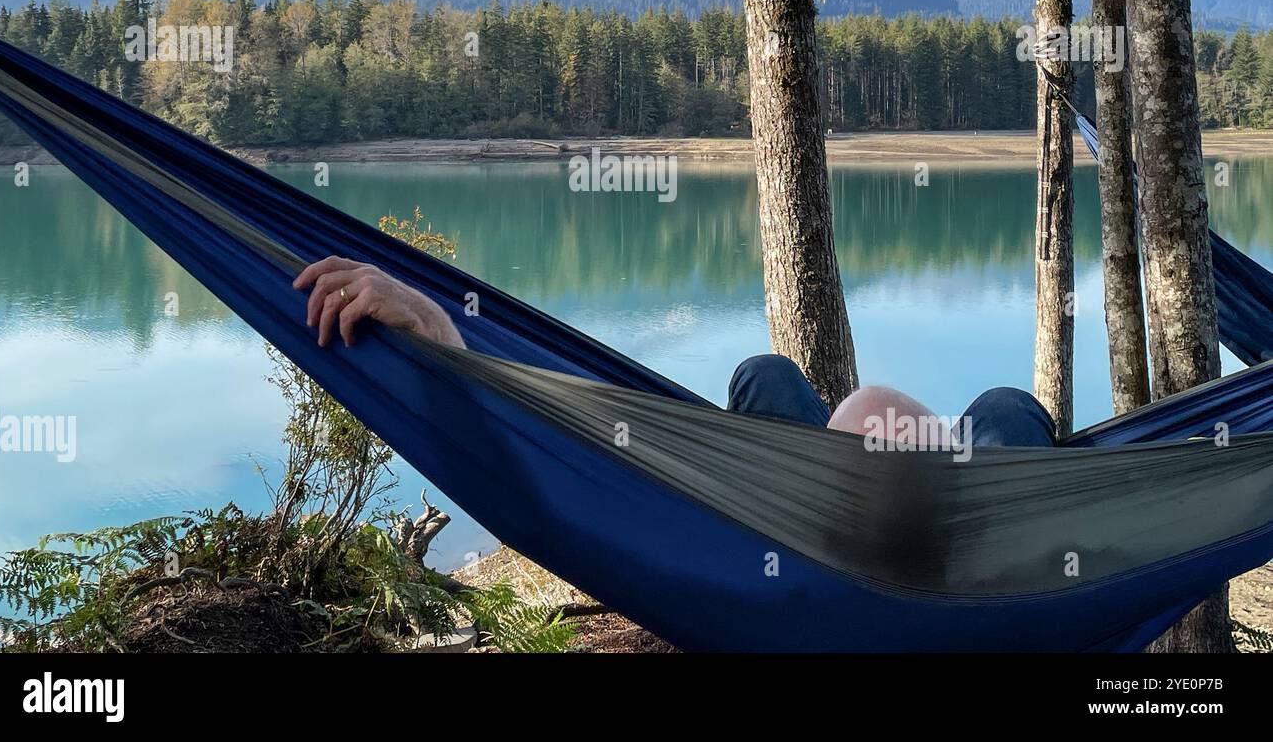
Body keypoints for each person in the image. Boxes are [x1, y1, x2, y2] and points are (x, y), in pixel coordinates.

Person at [294, 257, 1056, 449]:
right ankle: (956, 485)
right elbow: (547, 452)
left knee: (764, 379)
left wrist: (438, 327)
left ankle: (865, 473)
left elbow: (550, 462)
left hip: (818, 539)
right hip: (948, 542)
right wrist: (437, 329)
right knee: (1008, 410)